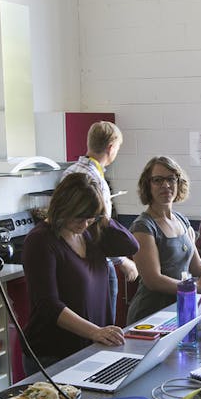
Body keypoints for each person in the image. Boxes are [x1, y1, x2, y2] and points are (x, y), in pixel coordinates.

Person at [22, 172, 140, 367]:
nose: (85, 224)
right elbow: (48, 305)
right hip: (53, 354)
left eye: (90, 218)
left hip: (90, 348)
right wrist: (95, 331)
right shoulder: (41, 241)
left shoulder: (90, 233)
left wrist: (101, 217)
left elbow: (131, 246)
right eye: (79, 218)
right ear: (63, 208)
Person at [127, 156, 201, 324]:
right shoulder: (143, 227)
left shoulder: (181, 220)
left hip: (181, 308)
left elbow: (198, 266)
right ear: (147, 186)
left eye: (171, 179)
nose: (166, 185)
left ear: (178, 183)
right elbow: (153, 280)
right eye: (158, 180)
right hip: (150, 315)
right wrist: (196, 287)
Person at [62, 120, 139, 317]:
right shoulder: (96, 181)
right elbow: (99, 226)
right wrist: (122, 261)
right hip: (95, 259)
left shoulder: (69, 172)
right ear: (111, 147)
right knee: (104, 323)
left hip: (70, 258)